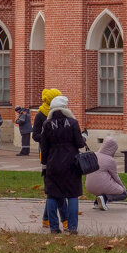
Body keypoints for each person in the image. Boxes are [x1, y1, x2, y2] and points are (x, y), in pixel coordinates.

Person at [39, 95, 86, 234]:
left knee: (53, 195)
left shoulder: (47, 124)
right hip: (72, 163)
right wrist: (84, 137)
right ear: (65, 108)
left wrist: (44, 165)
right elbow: (79, 143)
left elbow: (44, 147)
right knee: (72, 195)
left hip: (53, 163)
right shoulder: (72, 122)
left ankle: (54, 227)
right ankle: (72, 227)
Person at [33, 89, 66, 228]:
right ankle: (64, 219)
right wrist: (48, 138)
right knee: (56, 188)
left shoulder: (62, 114)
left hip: (61, 153)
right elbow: (35, 135)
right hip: (47, 154)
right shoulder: (41, 114)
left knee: (55, 187)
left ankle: (47, 218)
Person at [86, 136, 127, 210]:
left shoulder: (93, 154)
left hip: (89, 186)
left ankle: (96, 203)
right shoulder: (110, 160)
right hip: (100, 186)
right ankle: (104, 198)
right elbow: (115, 177)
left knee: (101, 179)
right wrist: (123, 188)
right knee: (123, 194)